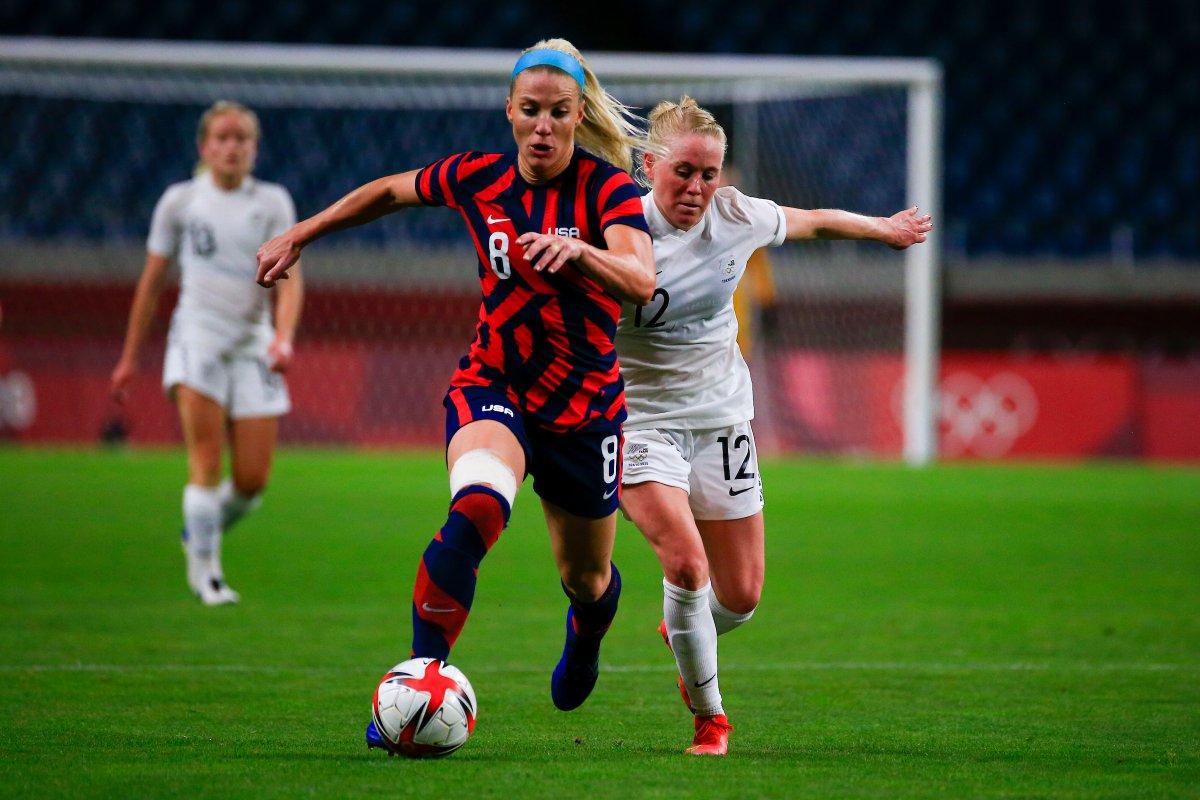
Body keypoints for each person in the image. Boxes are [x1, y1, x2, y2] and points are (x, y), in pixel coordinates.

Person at [253, 40, 655, 745]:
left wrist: (584, 253)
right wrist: (303, 232)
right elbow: (388, 191)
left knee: (587, 579)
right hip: (493, 381)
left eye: (558, 113)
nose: (542, 126)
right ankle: (420, 684)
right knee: (476, 505)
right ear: (509, 111)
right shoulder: (477, 177)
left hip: (584, 410)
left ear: (576, 115)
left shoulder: (606, 190)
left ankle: (585, 636)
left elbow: (641, 278)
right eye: (529, 111)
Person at [617, 97, 932, 756]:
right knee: (686, 563)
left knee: (741, 597)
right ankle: (712, 720)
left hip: (723, 422)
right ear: (649, 166)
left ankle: (685, 629)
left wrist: (884, 229)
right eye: (684, 173)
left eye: (710, 173)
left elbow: (815, 221)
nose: (698, 188)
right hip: (641, 426)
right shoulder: (615, 231)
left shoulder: (736, 216)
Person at [111, 100, 303, 606]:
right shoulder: (180, 202)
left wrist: (282, 338)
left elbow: (291, 282)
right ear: (204, 146)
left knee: (252, 482)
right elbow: (152, 283)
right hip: (196, 339)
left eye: (242, 138)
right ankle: (207, 576)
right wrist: (130, 357)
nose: (232, 146)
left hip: (252, 344)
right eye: (222, 137)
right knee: (205, 461)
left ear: (254, 148)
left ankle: (197, 530)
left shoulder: (274, 203)